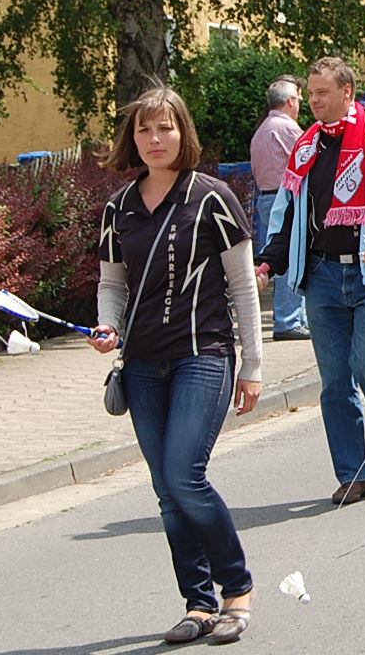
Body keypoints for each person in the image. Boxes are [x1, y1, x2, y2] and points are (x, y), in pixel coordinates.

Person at [91, 86, 263, 645]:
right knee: (166, 489)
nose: (154, 138)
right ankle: (198, 603)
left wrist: (253, 366)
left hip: (203, 355)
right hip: (142, 364)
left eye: (164, 127)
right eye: (143, 129)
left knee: (185, 476)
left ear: (182, 132)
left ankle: (237, 590)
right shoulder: (118, 207)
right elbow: (112, 284)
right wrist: (108, 326)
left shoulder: (212, 198)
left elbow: (243, 287)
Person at [257, 57, 365, 505]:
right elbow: (288, 213)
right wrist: (269, 262)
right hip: (321, 276)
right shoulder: (306, 148)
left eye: (322, 93)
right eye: (310, 93)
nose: (313, 101)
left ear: (347, 92)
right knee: (335, 379)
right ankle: (353, 473)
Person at [249, 76, 311, 340]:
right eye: (299, 99)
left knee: (277, 255)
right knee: (290, 257)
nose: (301, 104)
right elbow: (309, 160)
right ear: (290, 101)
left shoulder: (262, 129)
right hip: (285, 198)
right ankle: (289, 320)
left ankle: (294, 317)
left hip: (267, 197)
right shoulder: (287, 128)